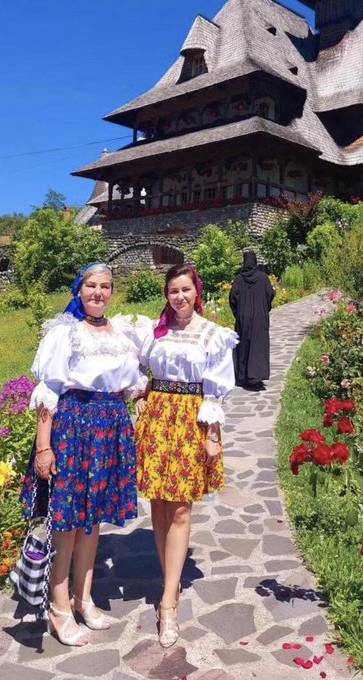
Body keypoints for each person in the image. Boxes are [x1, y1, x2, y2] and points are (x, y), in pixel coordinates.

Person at [20, 262, 148, 646]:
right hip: (73, 429)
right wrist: (44, 446)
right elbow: (50, 390)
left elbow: (130, 386)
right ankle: (58, 608)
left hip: (110, 429)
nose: (98, 292)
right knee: (68, 522)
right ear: (79, 290)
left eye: (105, 286)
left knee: (92, 522)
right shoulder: (66, 334)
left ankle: (83, 598)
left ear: (112, 291)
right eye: (91, 285)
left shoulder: (122, 333)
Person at [134, 264, 238, 648]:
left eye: (186, 290)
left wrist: (212, 434)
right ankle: (170, 582)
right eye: (173, 291)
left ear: (197, 293)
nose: (179, 297)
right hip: (158, 417)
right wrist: (141, 395)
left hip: (191, 420)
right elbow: (138, 368)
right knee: (159, 505)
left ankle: (167, 605)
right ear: (167, 295)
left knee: (181, 508)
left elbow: (216, 390)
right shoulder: (155, 332)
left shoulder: (213, 336)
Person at [229, 251, 275, 390]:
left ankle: (243, 376)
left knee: (244, 345)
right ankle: (257, 375)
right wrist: (264, 307)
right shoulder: (263, 277)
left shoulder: (239, 279)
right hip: (260, 317)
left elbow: (232, 298)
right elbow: (270, 294)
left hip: (244, 317)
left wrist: (238, 312)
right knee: (258, 345)